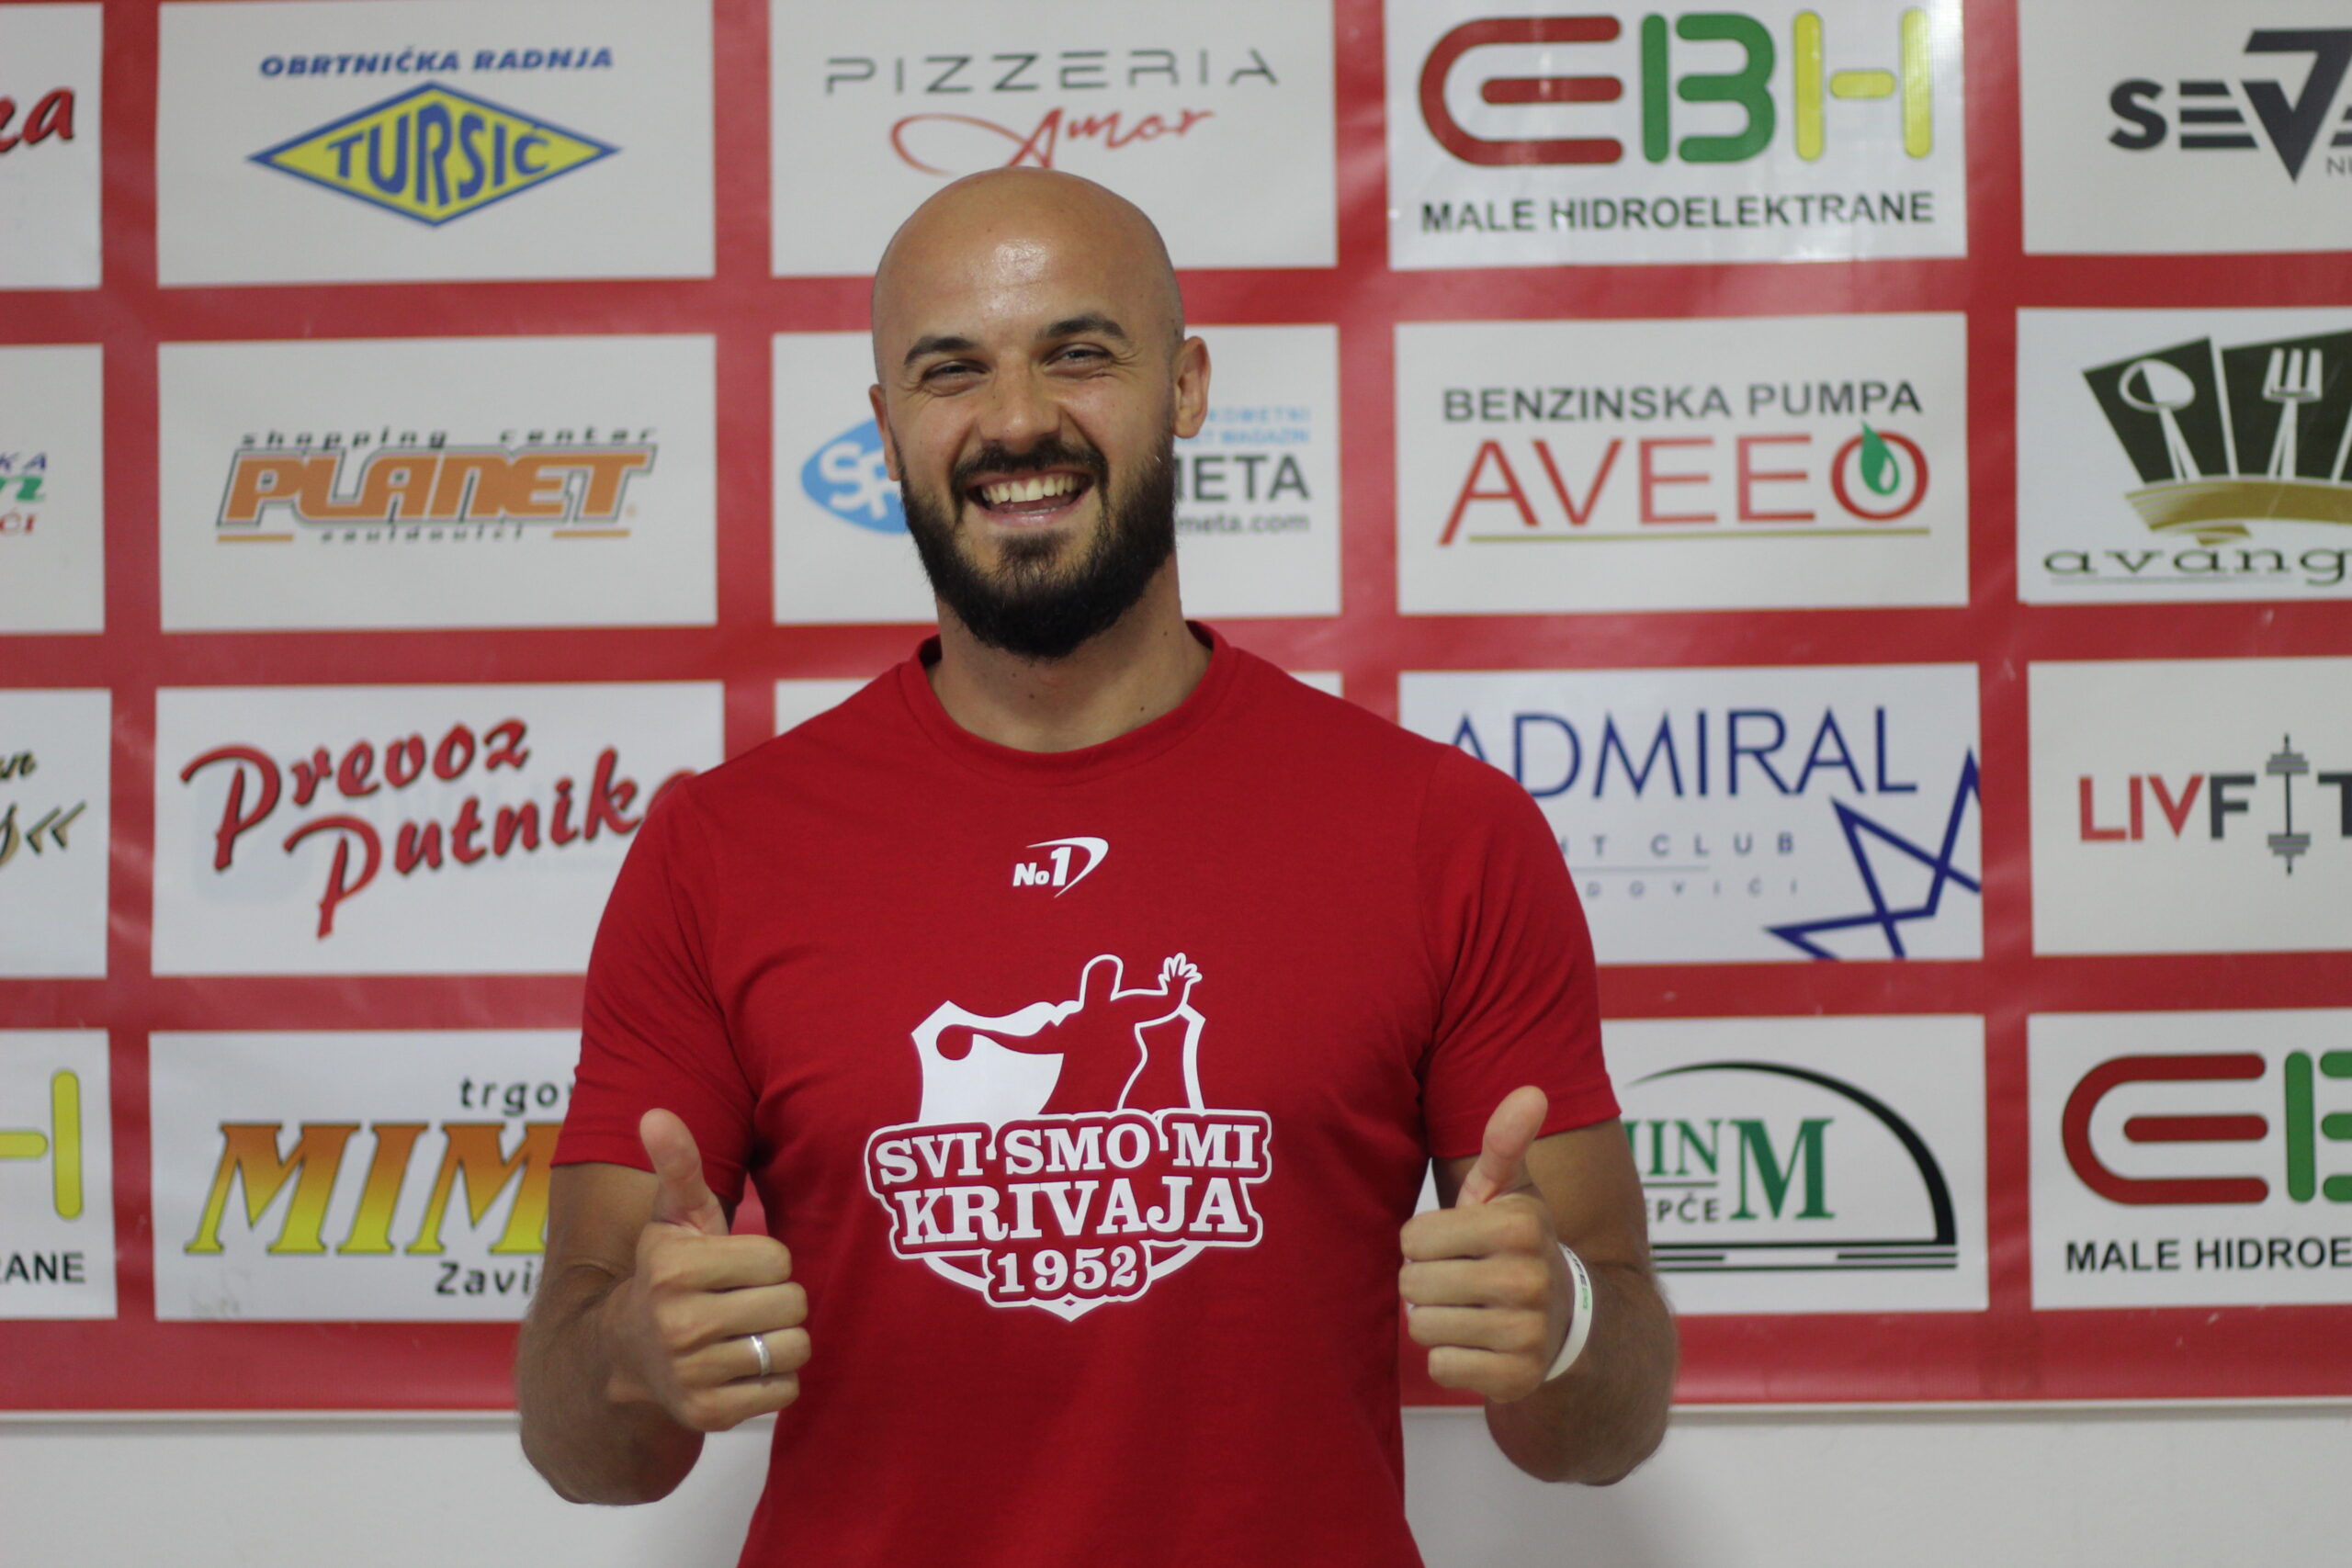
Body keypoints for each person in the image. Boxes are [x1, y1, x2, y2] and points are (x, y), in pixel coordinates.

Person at [516, 168, 1676, 1565]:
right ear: (886, 427)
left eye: (1078, 354)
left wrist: (1565, 1319)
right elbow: (582, 1450)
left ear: (1185, 387)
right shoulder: (720, 850)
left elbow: (1602, 1430)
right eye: (953, 370)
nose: (1016, 420)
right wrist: (631, 1353)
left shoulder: (1445, 831)